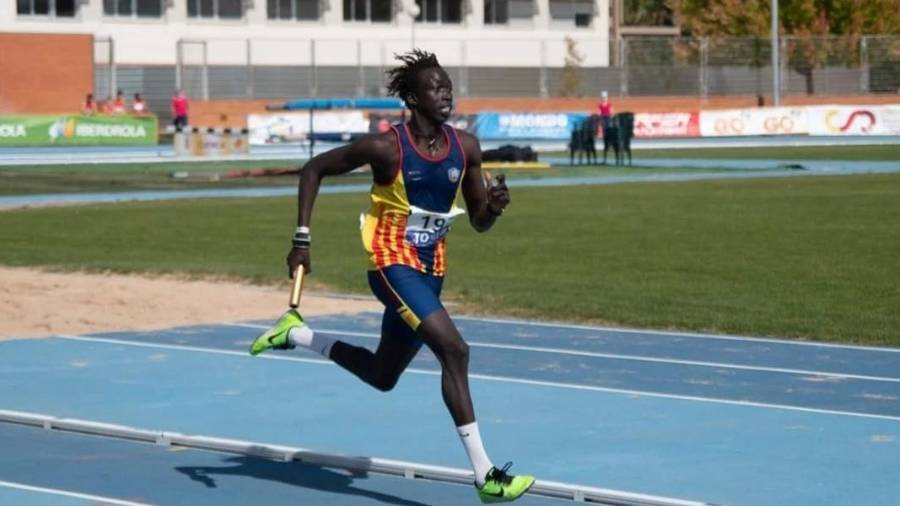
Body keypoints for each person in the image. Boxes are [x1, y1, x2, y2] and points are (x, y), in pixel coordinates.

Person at [249, 49, 535, 503]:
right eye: (435, 88)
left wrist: (494, 209)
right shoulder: (386, 147)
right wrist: (301, 239)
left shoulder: (466, 147)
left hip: (430, 271)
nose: (446, 94)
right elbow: (314, 168)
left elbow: (479, 220)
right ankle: (486, 476)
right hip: (389, 264)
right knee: (455, 351)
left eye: (449, 87)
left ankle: (297, 335)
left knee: (383, 376)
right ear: (413, 98)